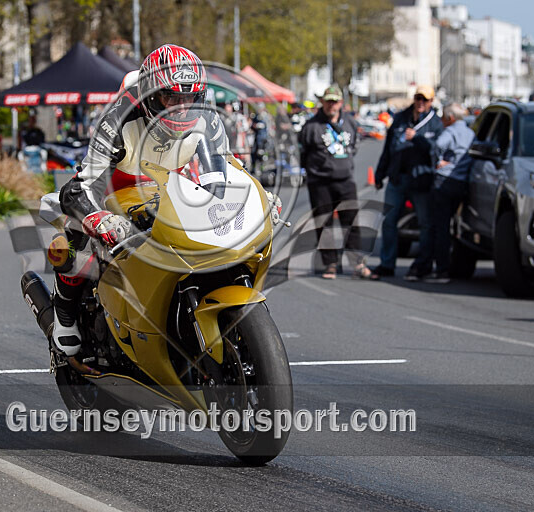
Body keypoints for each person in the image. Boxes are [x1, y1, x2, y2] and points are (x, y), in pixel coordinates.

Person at [35, 44, 281, 357]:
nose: (181, 108)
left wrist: (258, 198)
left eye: (188, 98)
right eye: (171, 98)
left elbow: (226, 170)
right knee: (76, 241)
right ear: (151, 95)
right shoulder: (117, 121)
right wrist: (97, 218)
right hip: (114, 182)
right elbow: (78, 187)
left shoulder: (208, 121)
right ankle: (64, 315)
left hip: (167, 183)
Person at [299, 85, 375, 280]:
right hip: (320, 182)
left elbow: (354, 146)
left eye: (335, 102)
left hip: (345, 180)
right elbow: (303, 152)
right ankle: (330, 263)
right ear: (322, 102)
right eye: (328, 101)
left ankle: (357, 263)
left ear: (341, 103)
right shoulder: (312, 126)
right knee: (323, 222)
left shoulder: (349, 122)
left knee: (351, 222)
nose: (331, 105)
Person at [373, 85, 443, 279]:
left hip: (421, 180)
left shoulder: (435, 123)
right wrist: (380, 175)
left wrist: (418, 138)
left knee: (425, 223)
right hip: (398, 177)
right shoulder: (400, 119)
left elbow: (436, 151)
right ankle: (387, 264)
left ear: (430, 102)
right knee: (389, 221)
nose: (420, 103)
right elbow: (388, 149)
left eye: (425, 99)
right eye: (418, 98)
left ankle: (422, 265)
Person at [421, 103, 475, 284]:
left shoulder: (450, 132)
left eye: (444, 117)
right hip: (461, 183)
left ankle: (441, 270)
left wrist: (440, 161)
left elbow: (436, 145)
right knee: (455, 226)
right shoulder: (470, 133)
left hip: (444, 182)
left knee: (440, 227)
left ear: (450, 118)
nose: (442, 121)